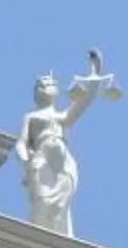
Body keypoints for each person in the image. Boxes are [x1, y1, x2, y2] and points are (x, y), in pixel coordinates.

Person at [14, 56, 120, 236]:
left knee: (60, 204)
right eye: (42, 85)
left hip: (63, 164)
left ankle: (57, 240)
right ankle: (37, 237)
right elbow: (21, 142)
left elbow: (82, 104)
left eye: (50, 84)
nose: (47, 87)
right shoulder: (31, 117)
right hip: (41, 159)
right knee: (43, 198)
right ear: (37, 93)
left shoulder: (62, 117)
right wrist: (25, 160)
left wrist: (95, 73)